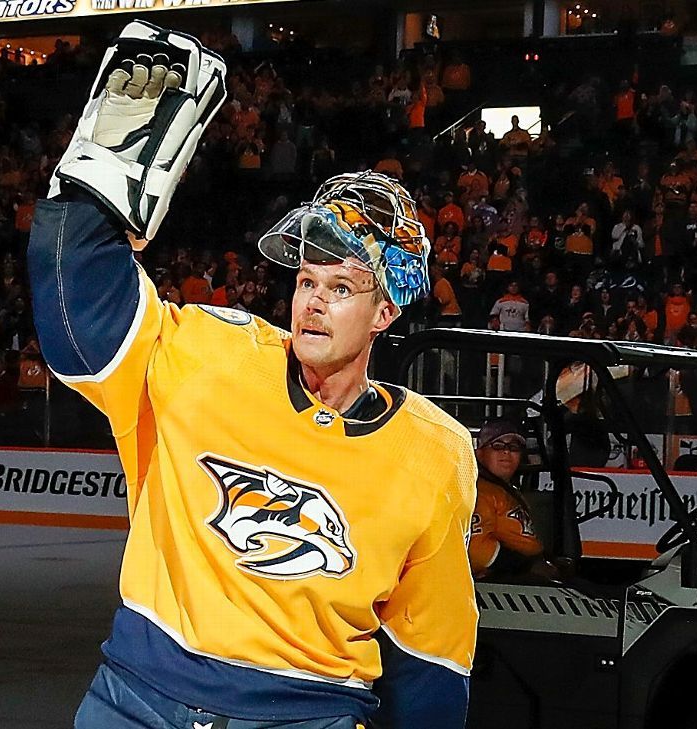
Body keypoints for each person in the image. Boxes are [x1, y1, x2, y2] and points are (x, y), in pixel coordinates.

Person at [29, 23, 477, 729]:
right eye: (305, 279)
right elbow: (79, 332)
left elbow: (430, 654)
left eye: (341, 286)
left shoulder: (435, 451)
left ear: (386, 309)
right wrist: (87, 197)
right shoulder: (210, 351)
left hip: (305, 716)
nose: (313, 301)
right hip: (138, 697)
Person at [468, 420, 547, 581]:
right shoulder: (479, 492)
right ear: (479, 453)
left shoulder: (504, 489)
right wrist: (529, 567)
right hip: (500, 582)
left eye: (514, 447)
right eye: (497, 446)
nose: (506, 452)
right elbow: (476, 550)